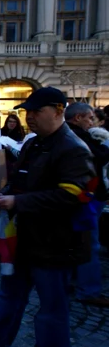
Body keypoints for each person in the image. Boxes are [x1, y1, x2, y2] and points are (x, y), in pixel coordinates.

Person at [0, 87, 94, 347]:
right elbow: (20, 180)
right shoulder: (35, 144)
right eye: (27, 112)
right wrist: (4, 194)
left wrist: (17, 203)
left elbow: (75, 195)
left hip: (55, 244)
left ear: (59, 110)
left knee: (51, 309)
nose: (29, 117)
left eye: (36, 111)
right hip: (22, 237)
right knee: (9, 295)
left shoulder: (73, 148)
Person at [64, 103, 109, 307]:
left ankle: (73, 281)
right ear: (78, 118)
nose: (92, 122)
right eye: (89, 118)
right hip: (85, 196)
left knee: (79, 241)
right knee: (89, 243)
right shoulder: (78, 137)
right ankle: (88, 289)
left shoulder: (75, 135)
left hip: (85, 195)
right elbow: (100, 157)